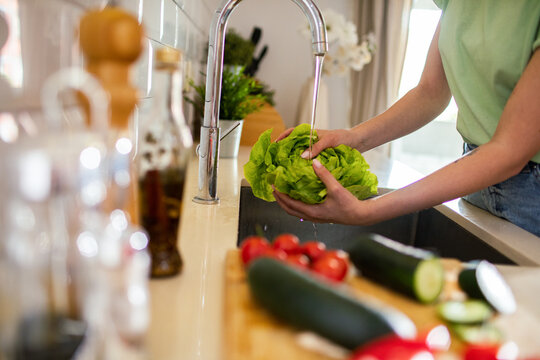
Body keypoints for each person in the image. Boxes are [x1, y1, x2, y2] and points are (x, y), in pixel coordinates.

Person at [273, 0, 540, 237]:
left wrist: (368, 211)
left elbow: (509, 151)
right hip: (477, 177)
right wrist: (351, 138)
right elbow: (430, 93)